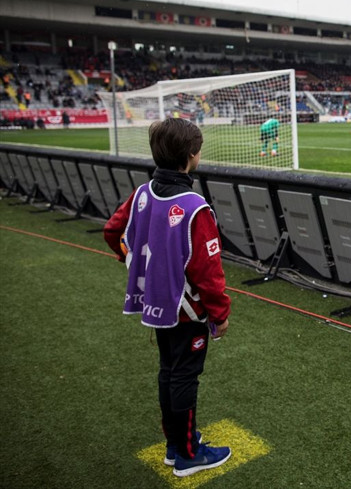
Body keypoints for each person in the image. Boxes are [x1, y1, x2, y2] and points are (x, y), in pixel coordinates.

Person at [103, 118, 232, 478]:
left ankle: (176, 444)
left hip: (154, 302)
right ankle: (189, 453)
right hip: (187, 311)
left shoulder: (143, 192)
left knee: (168, 371)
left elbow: (114, 231)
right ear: (192, 156)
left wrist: (135, 263)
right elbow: (208, 272)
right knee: (184, 376)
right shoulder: (195, 206)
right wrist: (220, 314)